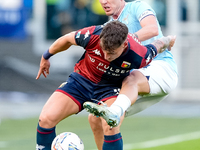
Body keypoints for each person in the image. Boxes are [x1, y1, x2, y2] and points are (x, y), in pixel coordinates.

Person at [35, 20, 175, 150]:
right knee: (45, 119)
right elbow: (67, 39)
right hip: (80, 82)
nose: (106, 56)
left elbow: (158, 45)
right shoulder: (92, 35)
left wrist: (168, 40)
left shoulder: (138, 54)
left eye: (112, 53)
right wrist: (46, 56)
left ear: (124, 45)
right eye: (104, 50)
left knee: (110, 126)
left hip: (109, 89)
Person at [84, 0, 178, 150]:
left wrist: (123, 42)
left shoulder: (136, 7)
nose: (103, 1)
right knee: (96, 118)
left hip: (161, 69)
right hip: (135, 78)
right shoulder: (110, 26)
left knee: (130, 80)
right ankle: (114, 113)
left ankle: (115, 111)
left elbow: (152, 29)